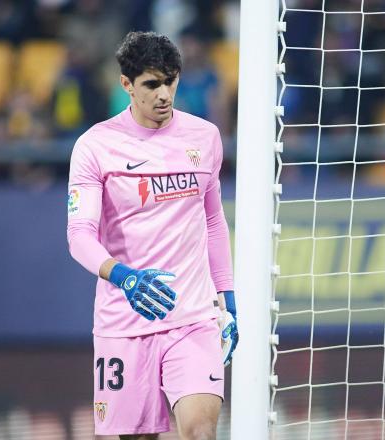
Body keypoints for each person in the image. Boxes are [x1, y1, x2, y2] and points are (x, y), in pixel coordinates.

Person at [66, 31, 238, 440]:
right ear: (127, 84)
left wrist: (228, 299)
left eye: (171, 81)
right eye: (152, 84)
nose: (164, 94)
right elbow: (79, 235)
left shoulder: (205, 138)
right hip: (124, 323)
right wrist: (124, 276)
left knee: (200, 431)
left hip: (193, 317)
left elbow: (213, 221)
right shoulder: (95, 147)